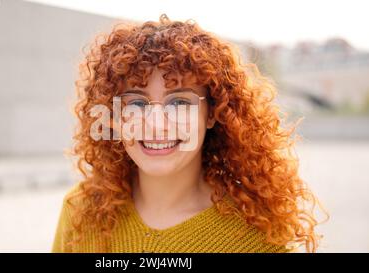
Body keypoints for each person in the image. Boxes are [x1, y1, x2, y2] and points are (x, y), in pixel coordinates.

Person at [52, 14, 323, 253]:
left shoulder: (257, 239)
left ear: (213, 114)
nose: (156, 125)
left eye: (179, 102)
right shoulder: (81, 210)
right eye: (136, 103)